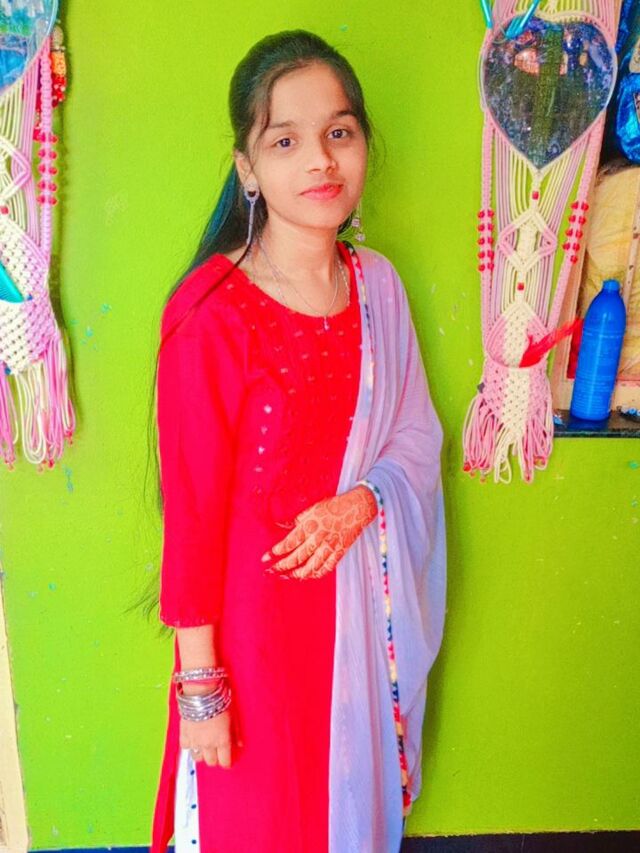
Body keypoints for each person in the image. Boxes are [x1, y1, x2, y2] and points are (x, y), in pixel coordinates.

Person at [149, 29, 447, 853]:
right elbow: (192, 518)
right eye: (285, 141)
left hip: (358, 615)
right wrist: (201, 687)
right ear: (247, 169)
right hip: (253, 643)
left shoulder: (378, 287)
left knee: (344, 816)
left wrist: (363, 502)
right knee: (260, 822)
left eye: (338, 132)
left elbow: (414, 438)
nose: (320, 160)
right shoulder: (211, 313)